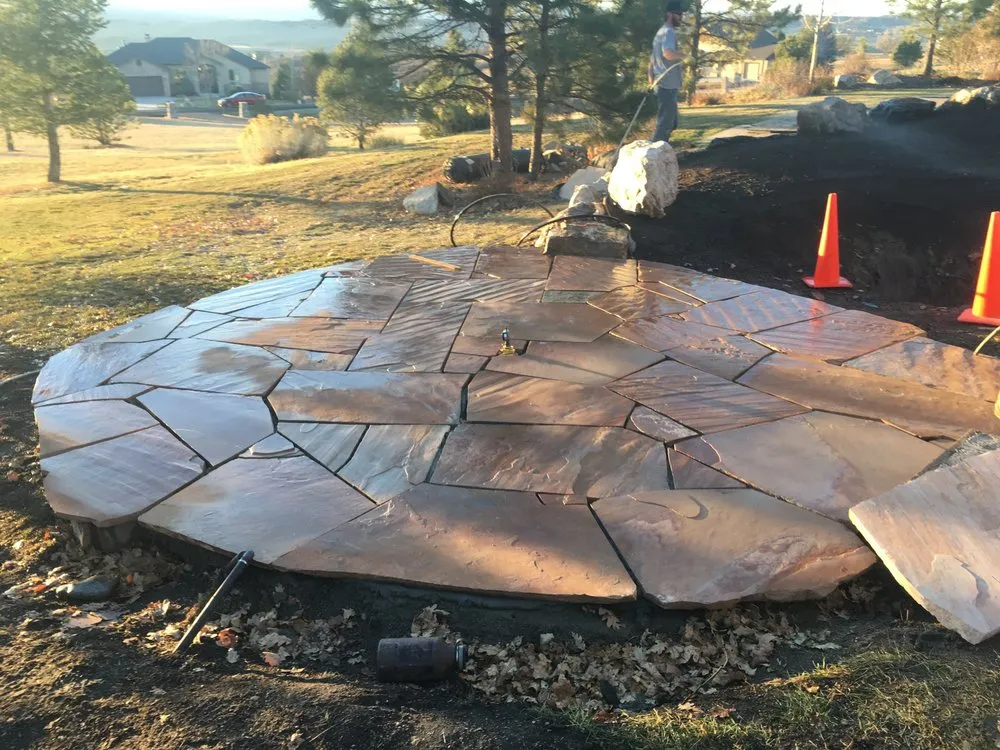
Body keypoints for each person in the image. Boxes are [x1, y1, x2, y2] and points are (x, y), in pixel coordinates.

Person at [649, 0, 685, 143]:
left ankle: (659, 151)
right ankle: (655, 154)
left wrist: (651, 79)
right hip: (667, 86)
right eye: (678, 14)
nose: (681, 17)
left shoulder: (661, 32)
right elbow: (668, 53)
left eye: (681, 14)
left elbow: (651, 59)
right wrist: (685, 56)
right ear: (669, 14)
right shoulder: (669, 31)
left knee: (671, 122)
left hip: (662, 84)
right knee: (665, 124)